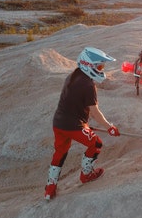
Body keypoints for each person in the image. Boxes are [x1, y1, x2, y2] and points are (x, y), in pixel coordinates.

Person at [44, 47, 120, 201]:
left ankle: (50, 188)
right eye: (99, 66)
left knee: (60, 153)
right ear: (89, 65)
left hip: (59, 123)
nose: (101, 70)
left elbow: (74, 103)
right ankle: (86, 175)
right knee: (96, 143)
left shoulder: (72, 76)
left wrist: (84, 124)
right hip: (73, 126)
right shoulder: (88, 85)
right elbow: (94, 111)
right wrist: (109, 127)